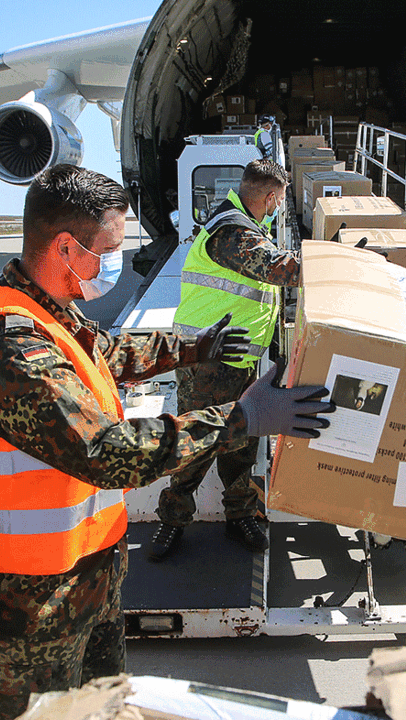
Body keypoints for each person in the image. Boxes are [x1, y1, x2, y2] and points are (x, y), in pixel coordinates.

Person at [0, 164, 333, 720]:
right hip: (22, 608)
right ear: (68, 249)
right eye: (110, 248)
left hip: (85, 580)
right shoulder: (9, 349)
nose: (117, 261)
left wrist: (193, 347)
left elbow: (110, 355)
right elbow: (108, 452)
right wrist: (240, 418)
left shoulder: (52, 314)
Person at [150, 159, 300, 561]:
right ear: (269, 196)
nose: (278, 208)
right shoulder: (231, 232)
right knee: (196, 442)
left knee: (241, 442)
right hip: (208, 361)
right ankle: (172, 520)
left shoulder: (250, 229)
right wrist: (336, 265)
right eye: (279, 201)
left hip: (238, 359)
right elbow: (276, 269)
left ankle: (240, 514)